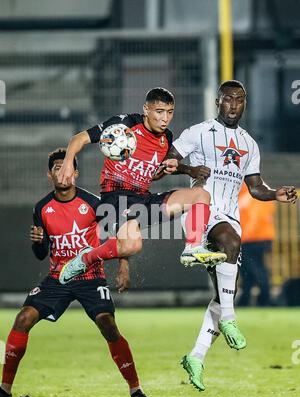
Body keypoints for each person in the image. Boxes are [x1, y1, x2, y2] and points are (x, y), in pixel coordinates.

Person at [164, 80, 297, 391]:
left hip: (229, 216)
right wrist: (189, 169)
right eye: (228, 100)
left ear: (244, 104)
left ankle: (196, 356)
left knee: (223, 292)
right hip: (201, 211)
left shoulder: (250, 144)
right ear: (218, 102)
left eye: (239, 100)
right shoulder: (199, 132)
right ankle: (230, 317)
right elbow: (168, 161)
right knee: (231, 244)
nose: (234, 105)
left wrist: (275, 193)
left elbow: (255, 187)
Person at [0, 148, 149, 397]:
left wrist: (124, 268)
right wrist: (37, 243)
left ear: (76, 173)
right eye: (58, 168)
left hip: (91, 276)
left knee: (108, 325)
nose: (63, 172)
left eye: (67, 167)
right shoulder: (42, 208)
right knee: (23, 318)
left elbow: (121, 235)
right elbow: (40, 253)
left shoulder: (93, 204)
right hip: (58, 278)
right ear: (50, 175)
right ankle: (4, 390)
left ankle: (135, 388)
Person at [56, 87, 226, 285]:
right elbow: (79, 139)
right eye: (159, 112)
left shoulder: (166, 137)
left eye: (170, 113)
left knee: (201, 196)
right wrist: (68, 161)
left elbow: (154, 173)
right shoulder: (124, 124)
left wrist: (185, 169)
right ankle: (85, 259)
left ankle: (193, 248)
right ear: (146, 109)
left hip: (144, 199)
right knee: (132, 245)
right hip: (115, 198)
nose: (165, 119)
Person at [238, 182, 276, 306]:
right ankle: (247, 299)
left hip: (253, 238)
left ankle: (264, 298)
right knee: (249, 270)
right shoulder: (255, 193)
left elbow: (255, 218)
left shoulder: (250, 196)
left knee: (255, 269)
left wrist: (244, 236)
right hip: (258, 237)